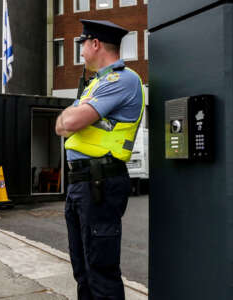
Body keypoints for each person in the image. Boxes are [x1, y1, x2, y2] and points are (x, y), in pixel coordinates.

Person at [55, 19, 145, 300]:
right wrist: (71, 118)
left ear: (95, 44)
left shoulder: (123, 79)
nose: (81, 51)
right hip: (82, 184)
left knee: (100, 271)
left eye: (82, 44)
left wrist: (73, 116)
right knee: (82, 270)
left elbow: (71, 120)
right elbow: (61, 124)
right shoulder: (95, 84)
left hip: (100, 183)